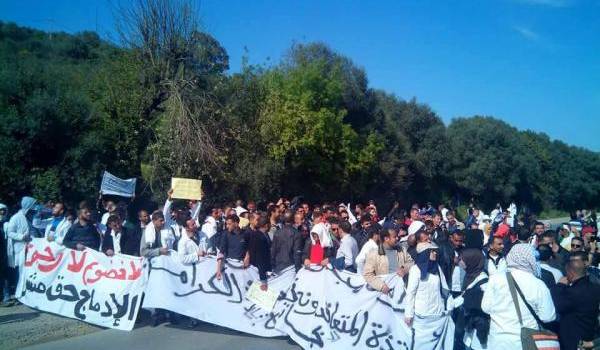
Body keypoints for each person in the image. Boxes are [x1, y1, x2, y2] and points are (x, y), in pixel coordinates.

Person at [481, 244, 556, 350]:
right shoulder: (538, 284)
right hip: (525, 342)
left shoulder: (495, 279)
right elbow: (548, 317)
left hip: (498, 341)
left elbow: (486, 308)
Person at [551, 259, 600, 350]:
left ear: (571, 273)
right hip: (590, 334)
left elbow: (558, 305)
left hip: (574, 341)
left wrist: (559, 286)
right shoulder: (596, 288)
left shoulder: (572, 292)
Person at [404, 242, 451, 331]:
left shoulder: (437, 268)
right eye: (432, 251)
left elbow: (444, 288)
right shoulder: (415, 270)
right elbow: (410, 293)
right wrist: (408, 314)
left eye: (435, 251)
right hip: (422, 315)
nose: (435, 253)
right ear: (424, 253)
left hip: (437, 313)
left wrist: (448, 306)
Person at [6, 197, 37, 303]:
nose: (34, 208)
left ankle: (23, 293)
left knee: (26, 272)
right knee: (19, 272)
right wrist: (21, 237)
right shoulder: (16, 217)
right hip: (19, 250)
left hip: (28, 249)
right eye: (33, 206)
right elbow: (9, 233)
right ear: (28, 206)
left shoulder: (28, 217)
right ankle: (17, 294)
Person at [458, 248, 490, 350]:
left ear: (472, 261)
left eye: (463, 259)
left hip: (479, 332)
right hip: (469, 327)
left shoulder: (484, 282)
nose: (460, 262)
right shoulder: (468, 275)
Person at [363, 228, 413, 293]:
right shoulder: (373, 254)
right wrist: (381, 286)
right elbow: (368, 274)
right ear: (386, 239)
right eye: (394, 237)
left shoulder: (402, 250)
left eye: (397, 236)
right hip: (385, 291)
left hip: (402, 288)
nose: (397, 238)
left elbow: (411, 262)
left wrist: (405, 269)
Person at [216, 214, 249, 280]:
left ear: (236, 223)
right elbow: (221, 252)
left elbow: (248, 248)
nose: (227, 226)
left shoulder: (245, 234)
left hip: (242, 266)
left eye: (229, 224)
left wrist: (247, 257)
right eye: (226, 224)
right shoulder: (225, 234)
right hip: (230, 265)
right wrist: (218, 270)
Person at [247, 216, 272, 289]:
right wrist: (263, 280)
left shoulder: (260, 235)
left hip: (260, 270)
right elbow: (260, 258)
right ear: (267, 225)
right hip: (258, 272)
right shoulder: (259, 238)